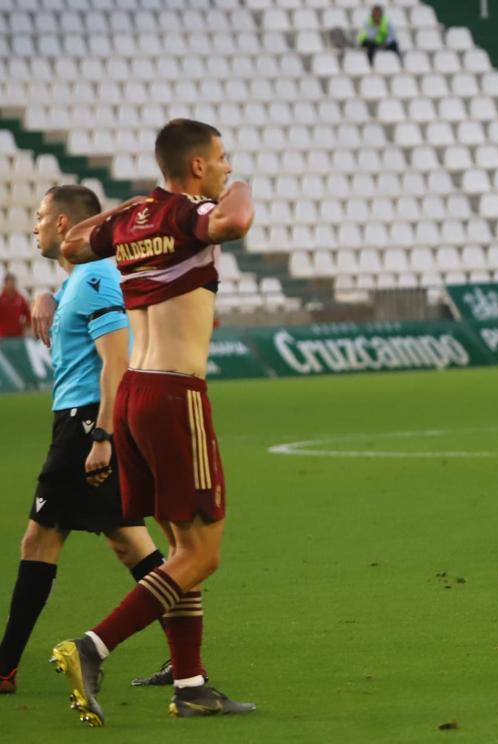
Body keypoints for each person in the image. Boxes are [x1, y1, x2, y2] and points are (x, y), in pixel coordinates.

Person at [50, 119, 256, 726]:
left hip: (135, 392)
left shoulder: (133, 220)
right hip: (174, 393)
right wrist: (241, 185)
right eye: (222, 158)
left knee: (178, 549)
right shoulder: (191, 211)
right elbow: (235, 221)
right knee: (203, 553)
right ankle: (92, 647)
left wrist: (129, 207)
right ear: (197, 166)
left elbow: (71, 244)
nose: (226, 166)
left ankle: (190, 685)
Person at [0, 186, 171, 695]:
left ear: (62, 223)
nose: (33, 226)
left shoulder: (96, 277)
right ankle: (189, 658)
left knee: (40, 539)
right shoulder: (79, 279)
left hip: (87, 424)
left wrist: (102, 435)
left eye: (39, 216)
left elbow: (116, 362)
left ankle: (4, 667)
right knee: (129, 541)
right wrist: (46, 296)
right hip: (84, 422)